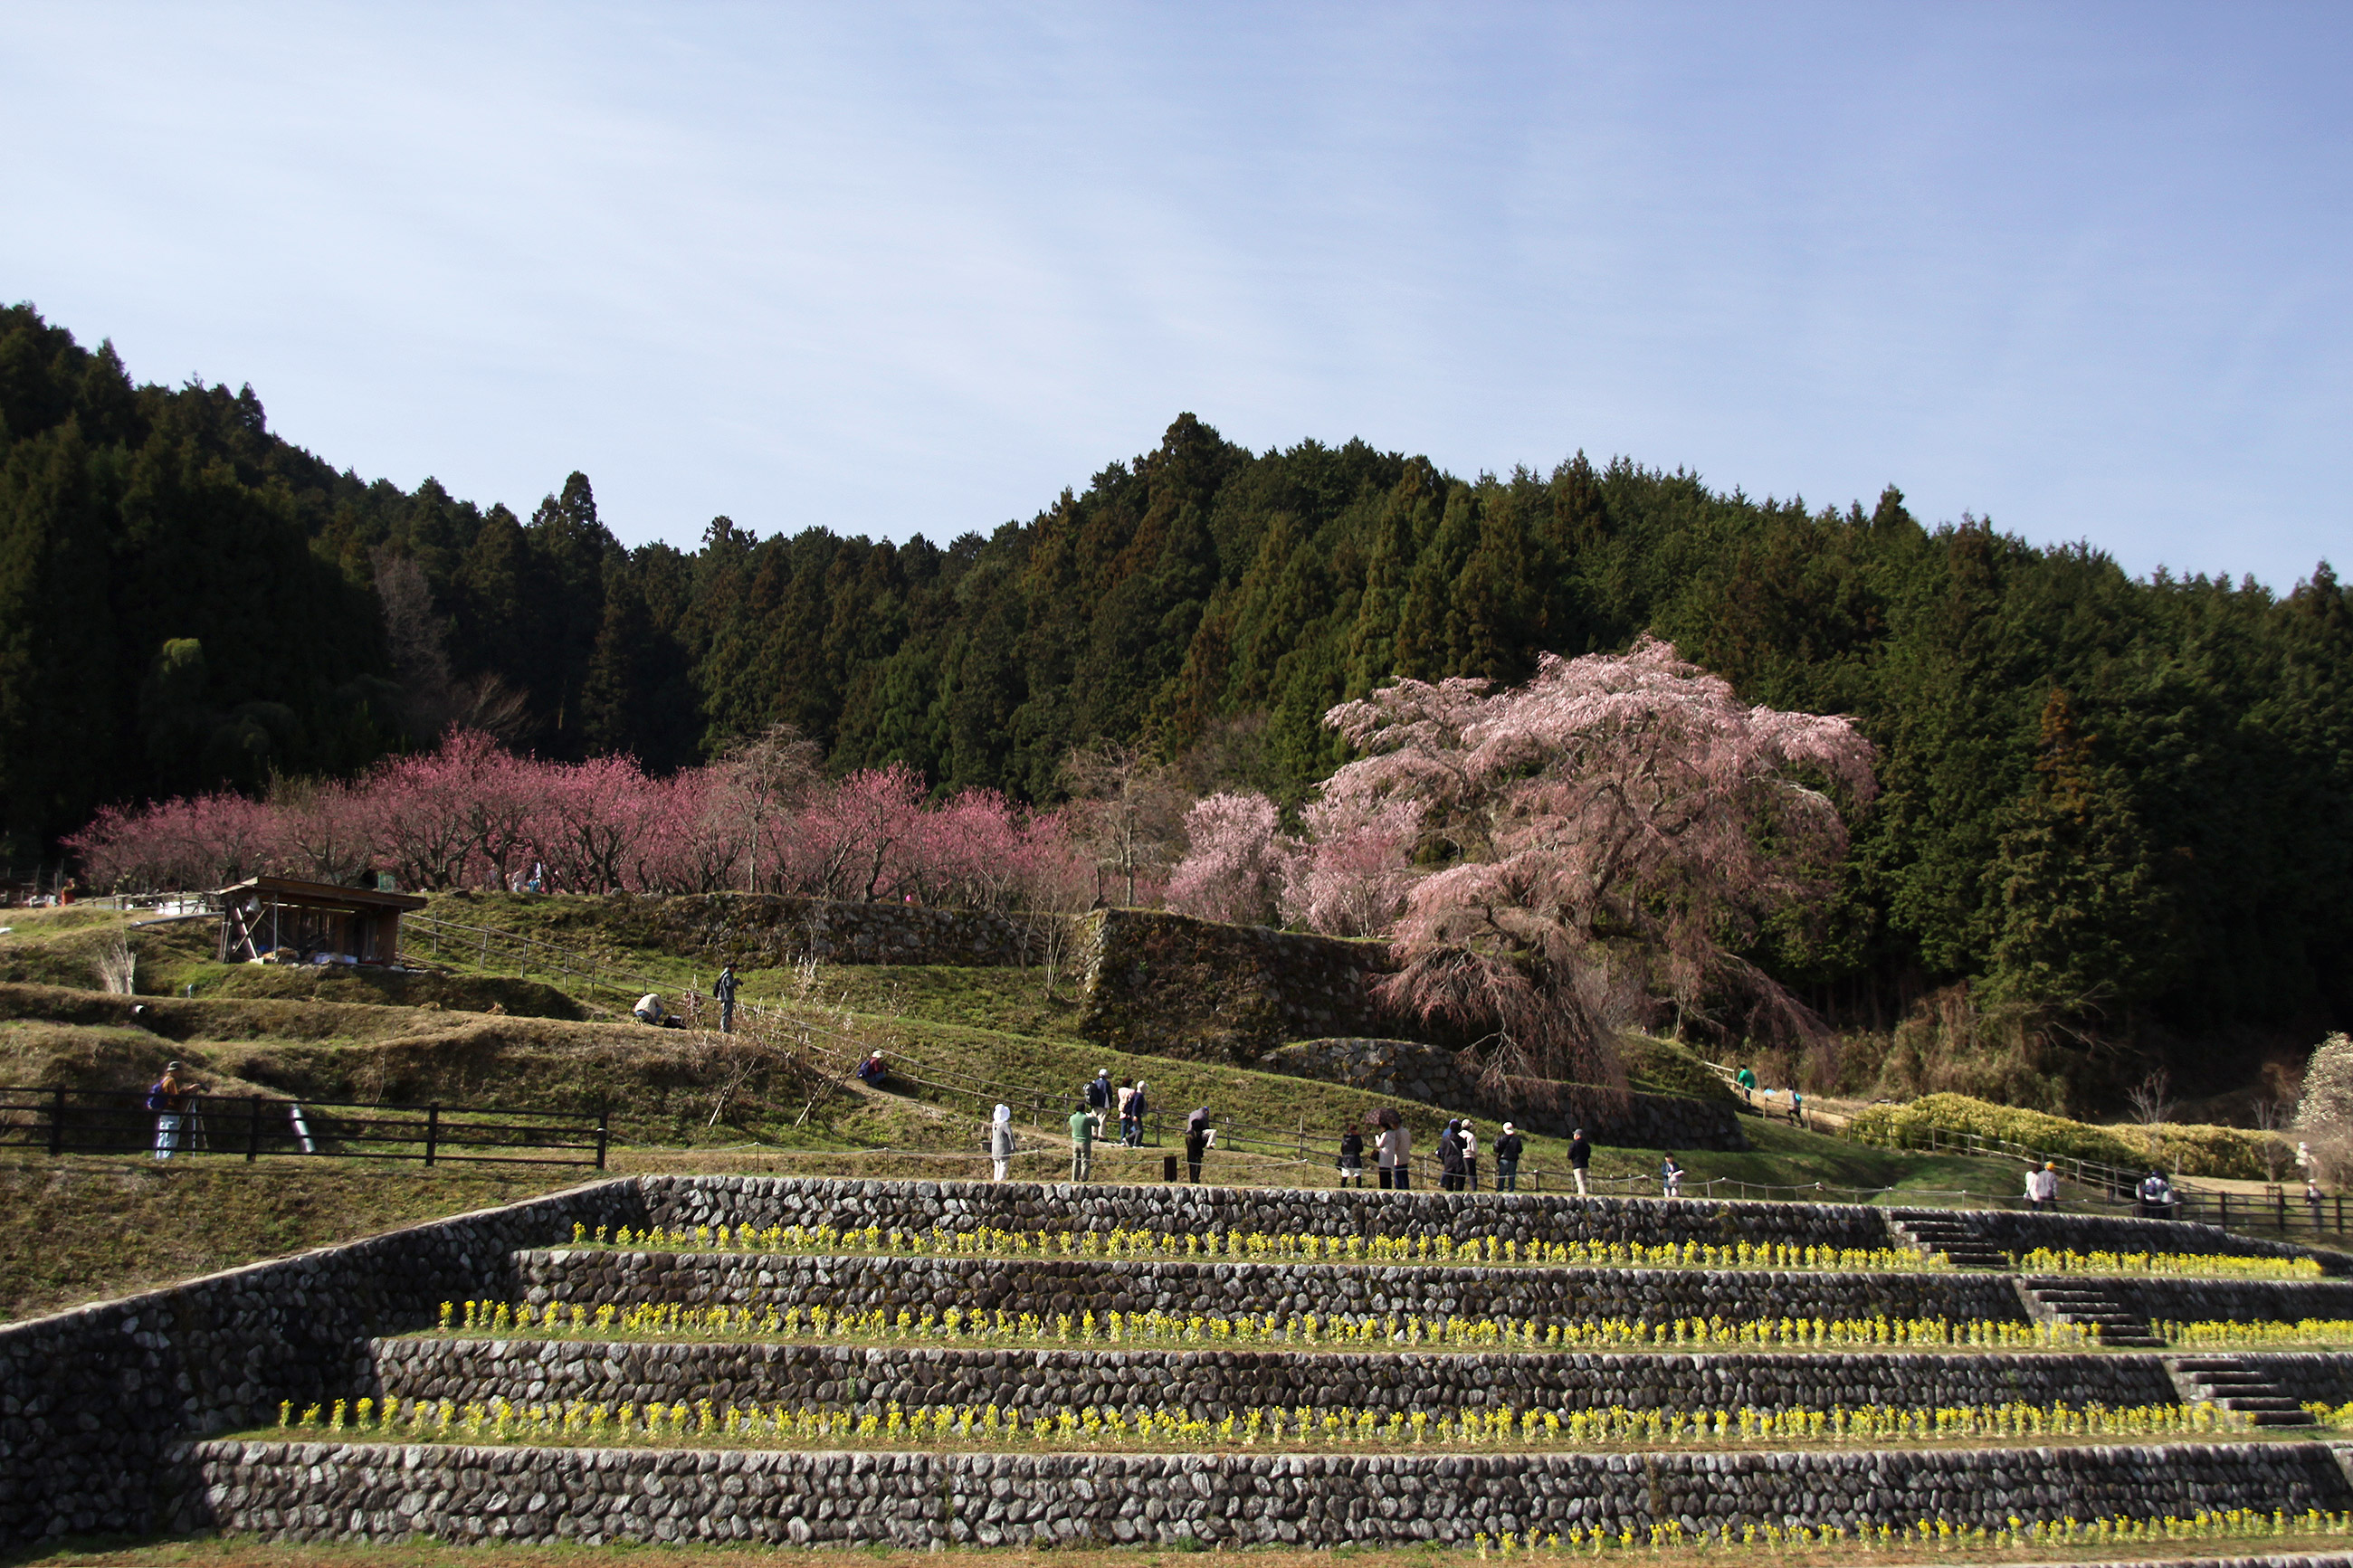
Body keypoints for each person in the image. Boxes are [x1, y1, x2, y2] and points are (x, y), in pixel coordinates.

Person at [148, 1060, 195, 1161]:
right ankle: (168, 1157)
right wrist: (189, 1090)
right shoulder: (171, 1081)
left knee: (163, 1134)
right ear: (174, 1071)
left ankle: (159, 1157)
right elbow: (175, 1096)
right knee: (171, 1134)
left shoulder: (164, 1080)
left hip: (164, 1110)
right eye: (179, 1071)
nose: (181, 1073)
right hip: (171, 1110)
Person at [1068, 1101, 1100, 1183]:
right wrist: (1093, 1116)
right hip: (1085, 1142)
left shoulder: (1072, 1118)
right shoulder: (1086, 1118)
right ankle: (1083, 1178)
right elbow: (1097, 1124)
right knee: (1085, 1161)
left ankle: (1074, 1178)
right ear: (1084, 1109)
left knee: (1075, 1161)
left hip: (1075, 1141)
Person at [1185, 1107, 1215, 1185]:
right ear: (1207, 1111)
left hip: (1189, 1136)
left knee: (1191, 1159)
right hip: (1196, 1140)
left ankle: (1192, 1178)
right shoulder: (1203, 1116)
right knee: (1197, 1159)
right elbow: (1206, 1128)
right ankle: (1195, 1178)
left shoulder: (1193, 1113)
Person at [1494, 1122, 1524, 1193]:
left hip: (1503, 1159)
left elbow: (1496, 1148)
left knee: (1501, 1177)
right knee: (1512, 1177)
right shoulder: (1517, 1139)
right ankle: (1511, 1191)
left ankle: (1500, 1190)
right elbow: (1520, 1150)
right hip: (1513, 1160)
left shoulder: (1501, 1138)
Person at [990, 1104, 1016, 1182]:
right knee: (1004, 1164)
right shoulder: (1005, 1124)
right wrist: (1013, 1146)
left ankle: (996, 1180)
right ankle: (1001, 1180)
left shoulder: (994, 1123)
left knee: (997, 1165)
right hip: (1003, 1148)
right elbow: (1010, 1135)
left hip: (995, 1148)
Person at [1438, 1120, 1465, 1193]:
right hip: (1458, 1162)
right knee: (1460, 1183)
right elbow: (1465, 1145)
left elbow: (1442, 1151)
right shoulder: (1460, 1139)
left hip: (1448, 1162)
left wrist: (1443, 1160)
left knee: (1449, 1184)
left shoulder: (1445, 1139)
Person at [1338, 1121, 1366, 1188]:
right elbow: (1360, 1148)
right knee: (1358, 1175)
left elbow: (1342, 1149)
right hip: (1355, 1157)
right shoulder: (1357, 1138)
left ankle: (1342, 1188)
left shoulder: (1345, 1137)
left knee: (1345, 1176)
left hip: (1346, 1158)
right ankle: (1359, 1189)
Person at [713, 965, 739, 1034]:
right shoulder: (728, 975)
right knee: (726, 1013)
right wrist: (736, 981)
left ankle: (726, 1028)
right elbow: (729, 984)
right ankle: (724, 1029)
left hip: (725, 997)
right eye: (735, 969)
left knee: (727, 1013)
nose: (735, 971)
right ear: (732, 968)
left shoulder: (725, 974)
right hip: (727, 997)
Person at [1568, 1127, 1592, 1196]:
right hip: (1585, 1165)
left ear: (1577, 1136)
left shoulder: (1574, 1144)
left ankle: (1584, 1196)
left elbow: (1569, 1154)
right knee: (1584, 1181)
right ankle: (1580, 1195)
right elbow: (1588, 1155)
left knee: (1580, 1182)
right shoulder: (1587, 1145)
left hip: (1577, 1165)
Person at [1127, 1079, 1150, 1146]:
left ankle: (1129, 1140)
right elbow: (1135, 1105)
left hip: (1134, 1113)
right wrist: (1135, 1115)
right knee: (1139, 1130)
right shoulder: (1139, 1095)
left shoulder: (1136, 1094)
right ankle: (1136, 1144)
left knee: (1138, 1129)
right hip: (1135, 1114)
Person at [1116, 1079, 1138, 1145]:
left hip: (1122, 1109)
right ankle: (1130, 1140)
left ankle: (1122, 1140)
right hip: (1130, 1110)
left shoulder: (1120, 1090)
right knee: (1131, 1126)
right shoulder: (1132, 1091)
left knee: (1123, 1126)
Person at [1461, 1121, 1481, 1192]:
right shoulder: (1470, 1136)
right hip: (1469, 1156)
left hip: (1460, 1156)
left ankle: (1460, 1189)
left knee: (1461, 1175)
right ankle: (1473, 1189)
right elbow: (1474, 1149)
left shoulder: (1459, 1134)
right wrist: (1475, 1155)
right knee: (1472, 1175)